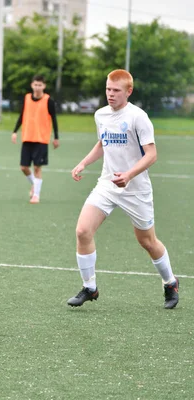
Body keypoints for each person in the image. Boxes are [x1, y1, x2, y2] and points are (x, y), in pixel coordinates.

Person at [67, 69, 179, 309]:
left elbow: (152, 154)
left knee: (147, 241)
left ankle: (170, 282)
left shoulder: (139, 117)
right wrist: (83, 163)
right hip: (107, 183)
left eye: (116, 90)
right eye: (108, 89)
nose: (110, 94)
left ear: (128, 91)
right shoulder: (100, 115)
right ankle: (90, 287)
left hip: (135, 188)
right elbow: (102, 143)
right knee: (82, 231)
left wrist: (129, 175)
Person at [11, 75, 60, 204]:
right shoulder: (27, 98)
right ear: (32, 85)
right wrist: (15, 131)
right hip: (27, 137)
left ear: (44, 86)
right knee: (23, 167)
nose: (37, 87)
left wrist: (56, 137)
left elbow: (54, 119)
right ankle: (35, 184)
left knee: (37, 168)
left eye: (40, 85)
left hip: (41, 139)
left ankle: (36, 195)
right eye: (35, 84)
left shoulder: (48, 100)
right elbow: (22, 115)